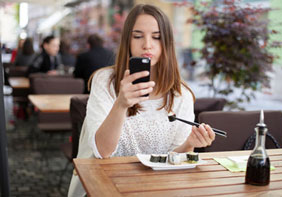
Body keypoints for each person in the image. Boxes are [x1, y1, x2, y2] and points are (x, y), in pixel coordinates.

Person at [68, 4, 215, 196]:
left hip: (158, 188)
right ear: (127, 41)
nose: (147, 44)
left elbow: (173, 158)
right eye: (138, 36)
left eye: (156, 37)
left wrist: (189, 144)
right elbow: (102, 152)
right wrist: (121, 104)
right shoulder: (105, 81)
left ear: (167, 43)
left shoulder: (180, 94)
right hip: (104, 185)